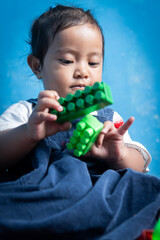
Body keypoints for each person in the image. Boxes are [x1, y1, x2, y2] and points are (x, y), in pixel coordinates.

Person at [0, 4, 151, 174]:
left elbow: (139, 168)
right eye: (66, 61)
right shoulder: (27, 113)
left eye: (93, 63)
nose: (83, 72)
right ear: (37, 67)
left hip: (96, 194)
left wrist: (120, 154)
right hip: (40, 193)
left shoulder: (109, 121)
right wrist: (28, 132)